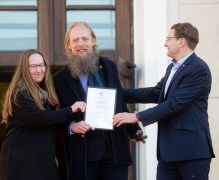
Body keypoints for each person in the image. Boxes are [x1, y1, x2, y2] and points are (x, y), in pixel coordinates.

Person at [113, 22, 215, 180]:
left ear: (181, 42)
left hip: (191, 152)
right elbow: (155, 93)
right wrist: (116, 94)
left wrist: (137, 116)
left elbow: (175, 103)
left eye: (168, 39)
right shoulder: (173, 68)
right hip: (168, 153)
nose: (165, 43)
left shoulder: (198, 68)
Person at [53, 22, 144, 180]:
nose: (80, 44)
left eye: (85, 39)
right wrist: (71, 126)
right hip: (83, 153)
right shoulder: (59, 79)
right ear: (68, 45)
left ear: (93, 40)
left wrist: (134, 130)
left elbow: (118, 101)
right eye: (75, 40)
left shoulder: (109, 66)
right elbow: (54, 116)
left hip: (114, 149)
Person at [0, 49, 86, 180]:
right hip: (21, 161)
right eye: (33, 66)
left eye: (41, 65)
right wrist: (71, 109)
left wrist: (72, 126)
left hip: (38, 159)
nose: (39, 70)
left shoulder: (44, 93)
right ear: (24, 69)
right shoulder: (20, 92)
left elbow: (51, 123)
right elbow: (40, 118)